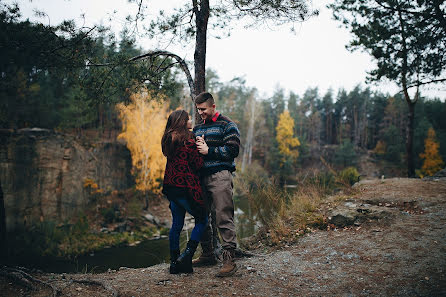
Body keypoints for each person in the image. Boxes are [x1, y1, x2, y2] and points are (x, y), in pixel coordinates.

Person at [193, 91, 241, 277]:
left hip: (220, 175)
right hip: (200, 178)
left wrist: (209, 150)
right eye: (198, 110)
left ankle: (229, 259)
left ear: (213, 106)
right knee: (202, 217)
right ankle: (208, 254)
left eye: (203, 109)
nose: (201, 113)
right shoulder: (197, 129)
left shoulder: (227, 125)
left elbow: (233, 150)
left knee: (223, 215)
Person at [161, 109, 208, 274]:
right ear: (182, 122)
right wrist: (202, 146)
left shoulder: (168, 139)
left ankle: (174, 263)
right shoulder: (189, 141)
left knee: (177, 224)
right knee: (203, 219)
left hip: (171, 188)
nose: (190, 122)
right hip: (186, 188)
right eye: (188, 119)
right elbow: (198, 165)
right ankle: (187, 256)